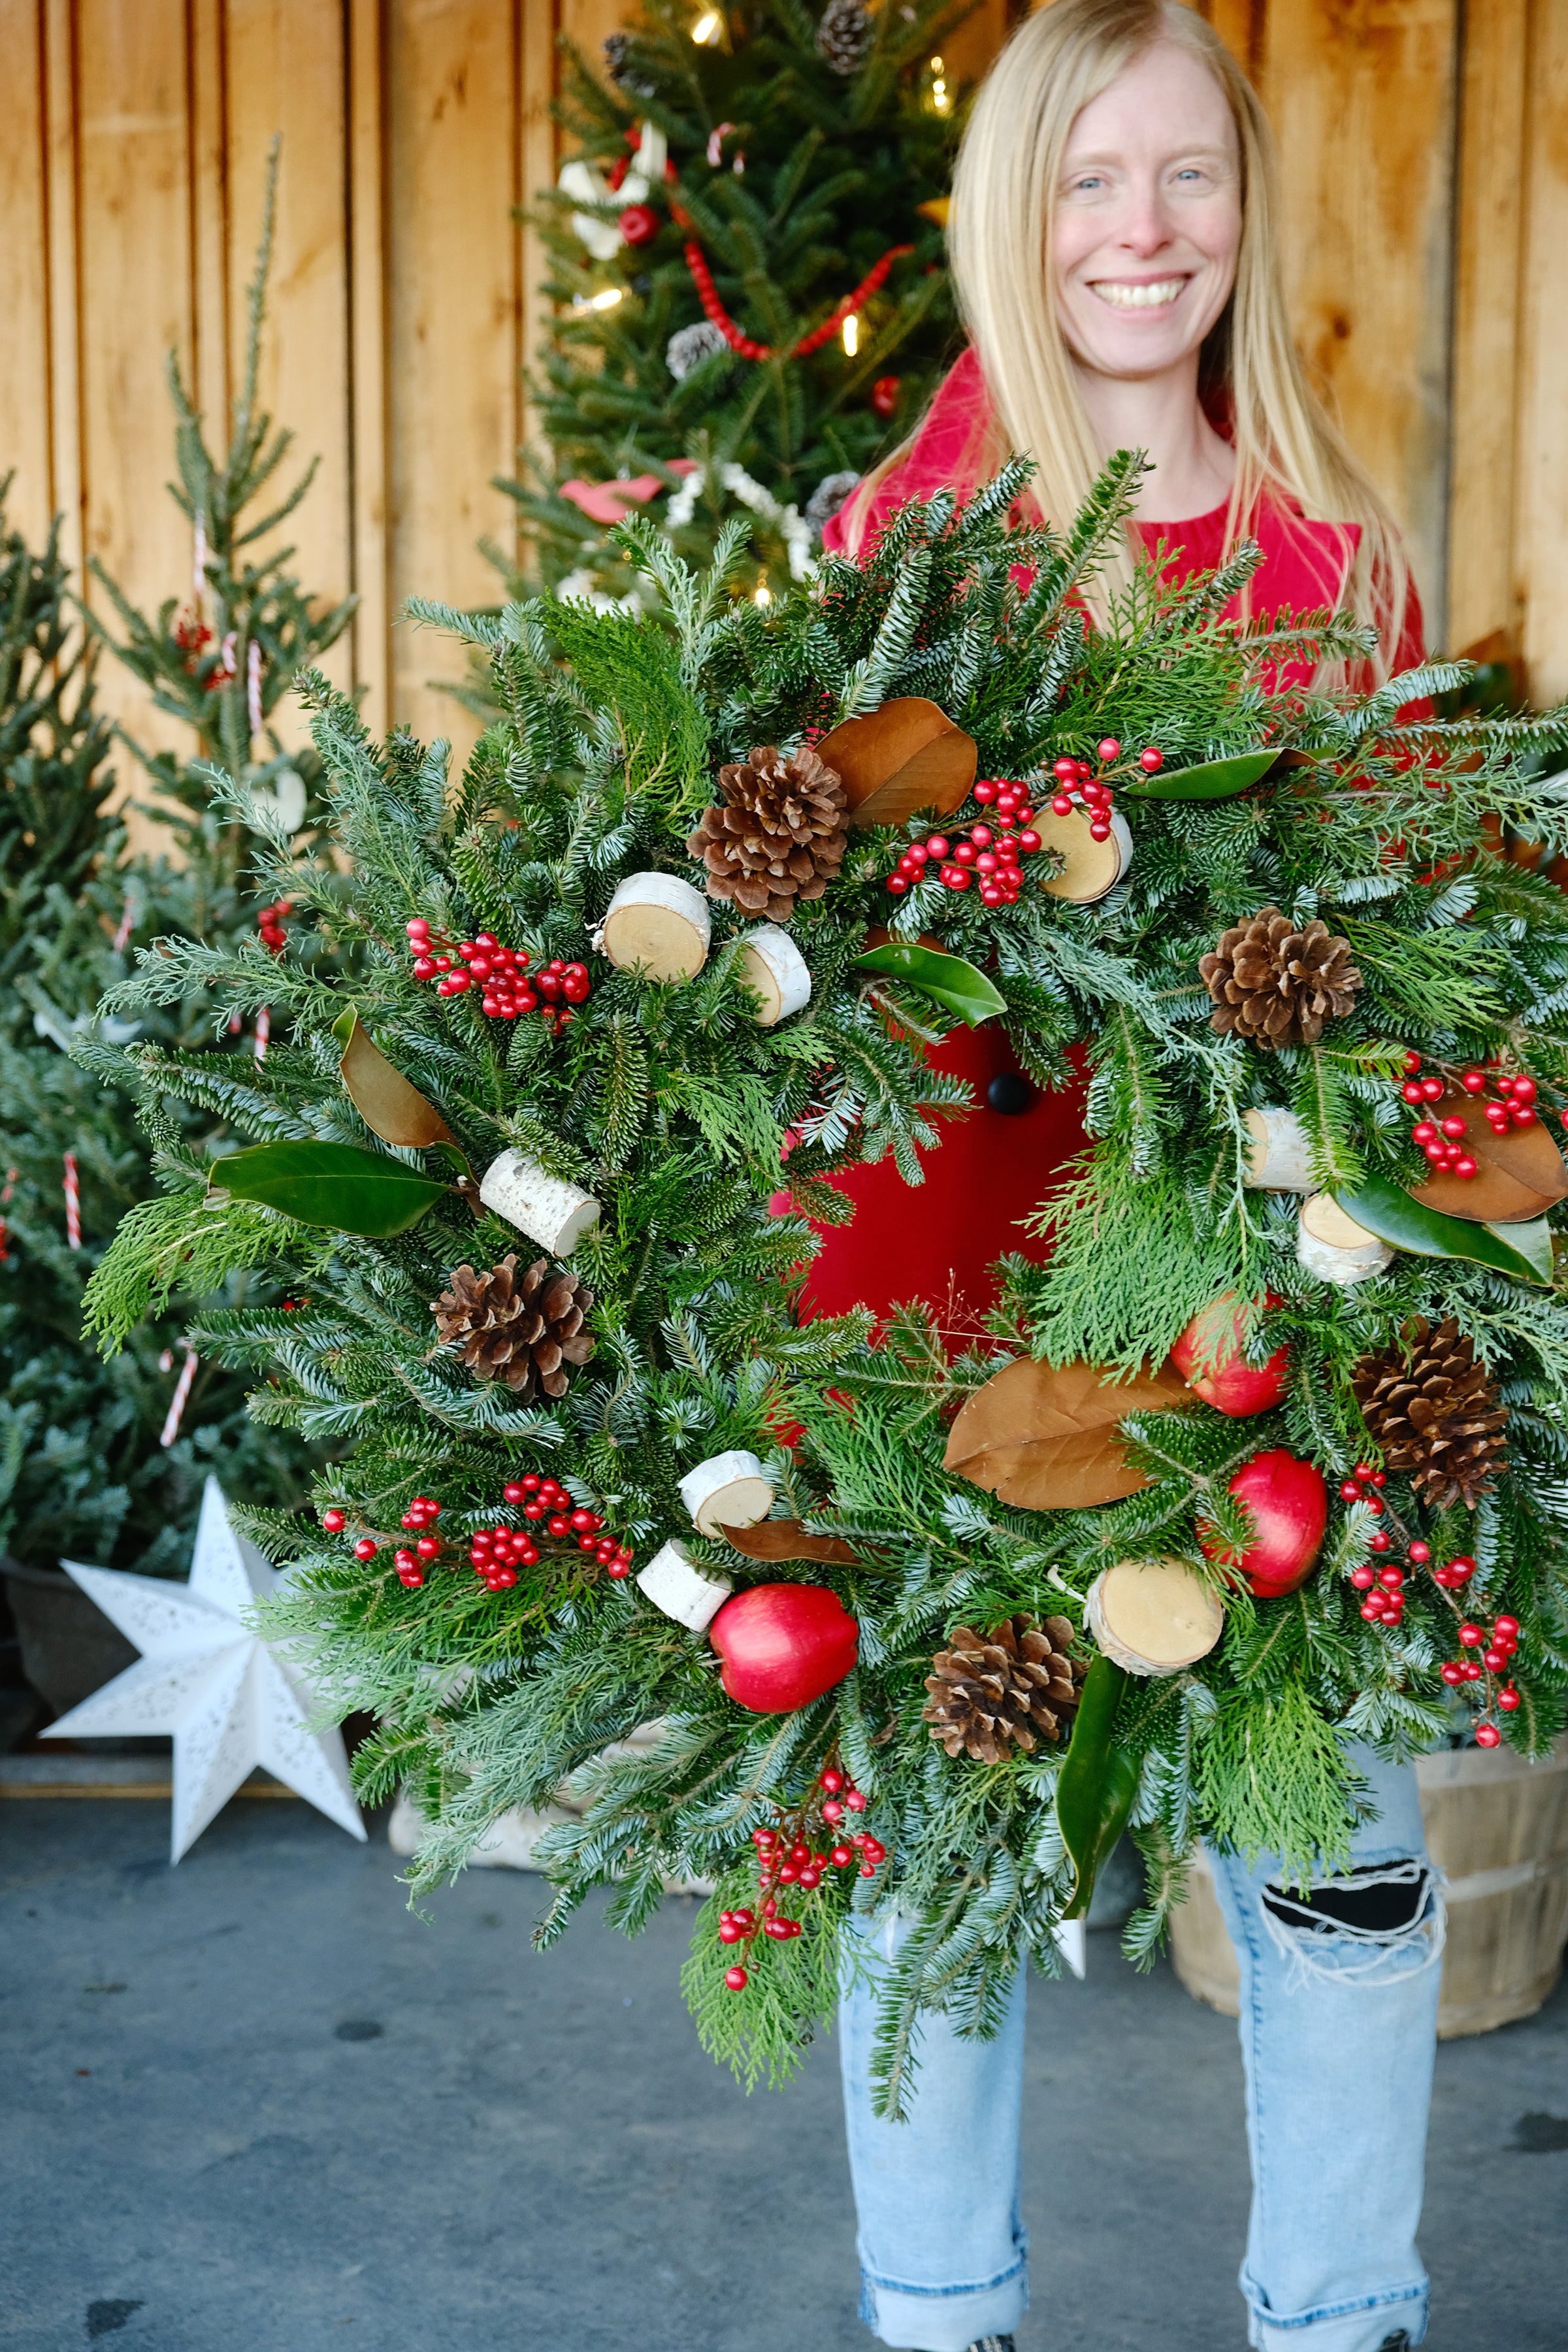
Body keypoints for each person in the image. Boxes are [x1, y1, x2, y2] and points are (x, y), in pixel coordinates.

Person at [814, 7, 1445, 2349]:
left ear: (1242, 217)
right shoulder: (897, 551)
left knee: (1344, 1862)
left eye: (1187, 179)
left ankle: (1338, 2318)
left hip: (1271, 1330)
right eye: (1092, 177)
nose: (1142, 234)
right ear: (1016, 209)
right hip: (948, 1322)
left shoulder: (1332, 558)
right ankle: (939, 2312)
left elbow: (1410, 971)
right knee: (935, 1865)